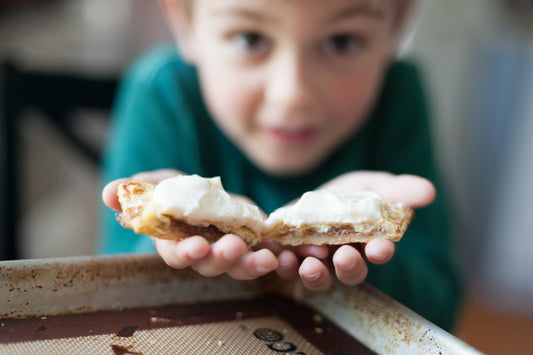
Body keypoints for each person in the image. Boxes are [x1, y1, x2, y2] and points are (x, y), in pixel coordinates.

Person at [101, 0, 462, 331]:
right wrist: (170, 245)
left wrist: (368, 265)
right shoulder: (163, 93)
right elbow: (109, 295)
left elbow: (439, 311)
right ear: (185, 25)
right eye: (249, 38)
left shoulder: (398, 96)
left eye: (342, 42)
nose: (292, 94)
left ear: (396, 28)